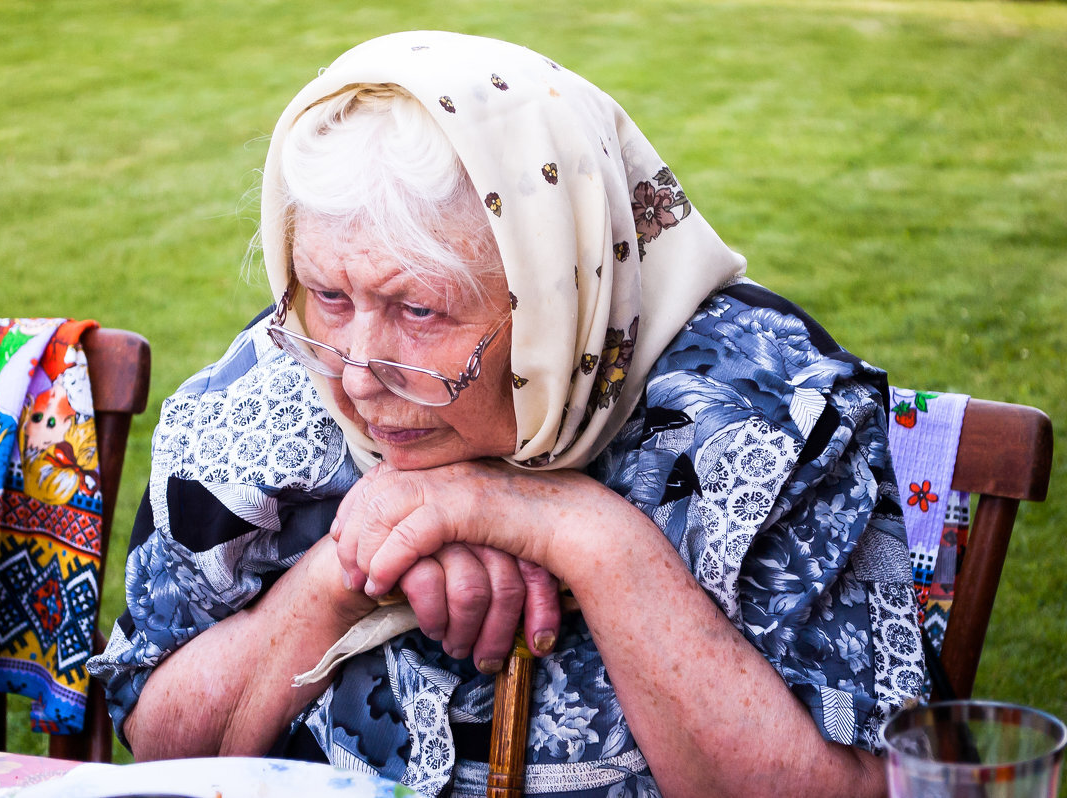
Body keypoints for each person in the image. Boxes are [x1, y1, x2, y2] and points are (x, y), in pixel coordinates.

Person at [87, 31, 923, 797]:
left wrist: (584, 537)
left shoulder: (764, 420)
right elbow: (158, 755)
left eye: (419, 310)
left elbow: (870, 787)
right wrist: (344, 576)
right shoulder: (270, 393)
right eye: (329, 297)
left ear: (559, 292)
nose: (357, 378)